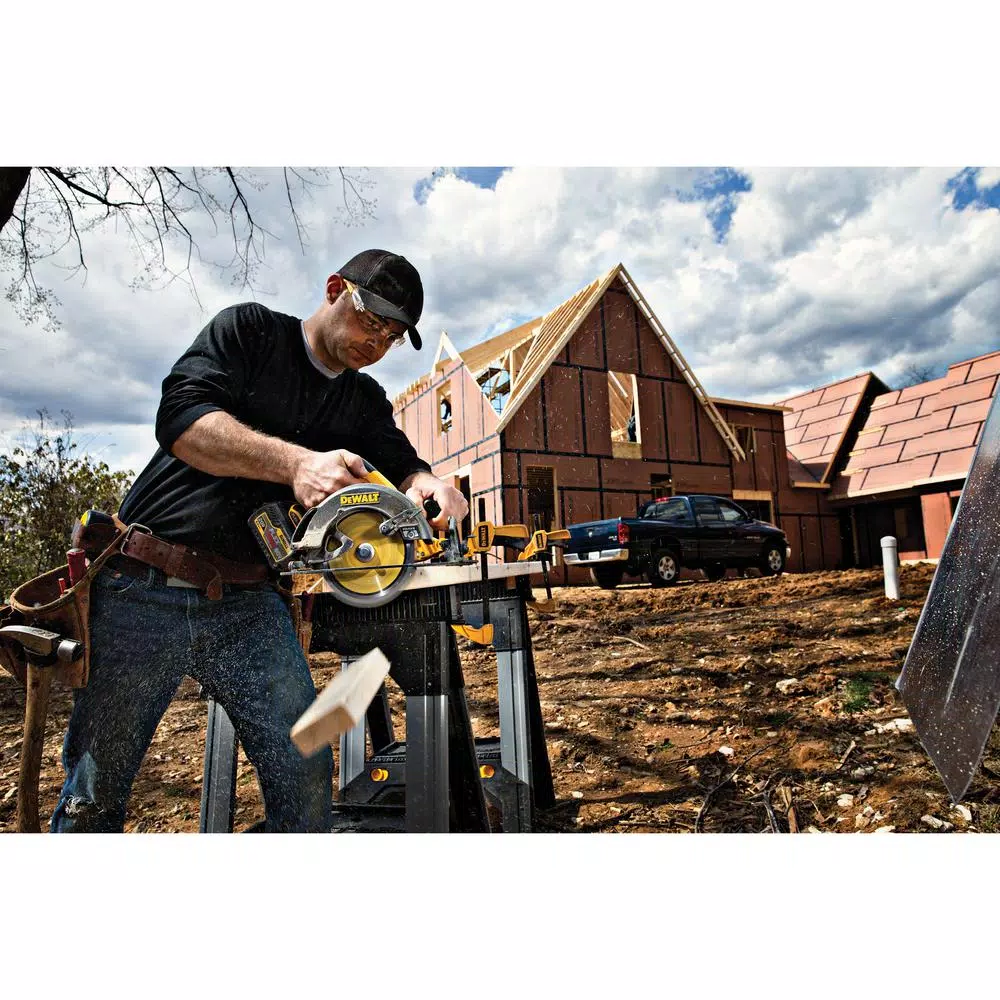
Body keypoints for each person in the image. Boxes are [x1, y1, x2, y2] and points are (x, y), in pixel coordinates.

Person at [51, 249, 468, 833]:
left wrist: (430, 484)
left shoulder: (362, 400)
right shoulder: (248, 331)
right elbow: (180, 421)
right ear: (332, 290)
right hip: (144, 586)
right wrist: (297, 464)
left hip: (249, 603)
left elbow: (404, 466)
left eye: (393, 336)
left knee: (305, 762)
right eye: (371, 320)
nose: (376, 342)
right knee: (96, 791)